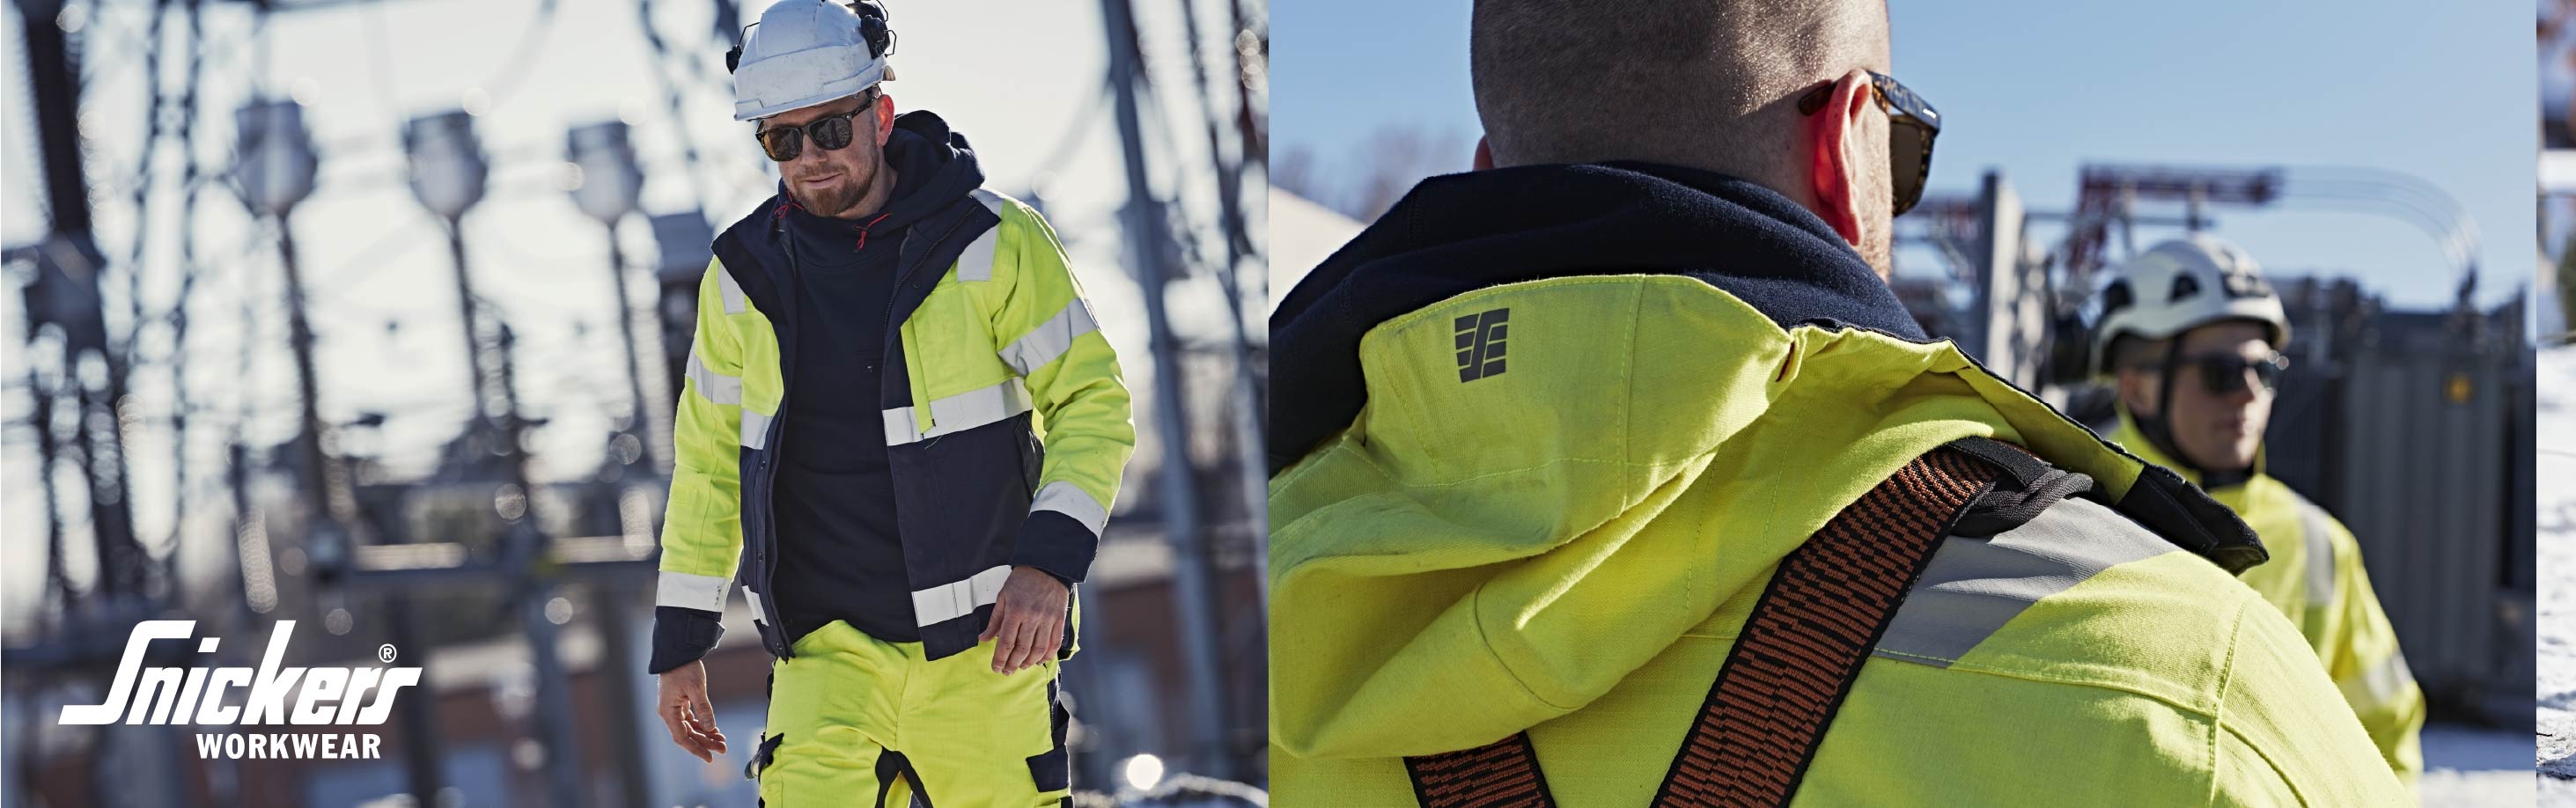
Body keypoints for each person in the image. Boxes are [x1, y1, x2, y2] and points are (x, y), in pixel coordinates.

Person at [1257, 0, 2407, 804]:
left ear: (1487, 171)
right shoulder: (2197, 695)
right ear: (1845, 148)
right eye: (1902, 155)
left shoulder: (1226, 617)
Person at [647, 2, 1137, 804]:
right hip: (826, 664)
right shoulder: (739, 281)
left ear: (879, 113)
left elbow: (1092, 404)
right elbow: (706, 470)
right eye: (782, 139)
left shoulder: (994, 243)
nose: (810, 158)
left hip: (989, 653)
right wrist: (680, 644)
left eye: (831, 131)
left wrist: (1048, 567)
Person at [2088, 234, 2429, 783]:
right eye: (2221, 373)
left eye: (2265, 370)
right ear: (2139, 387)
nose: (2248, 393)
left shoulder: (2321, 545)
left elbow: (2385, 733)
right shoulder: (2066, 516)